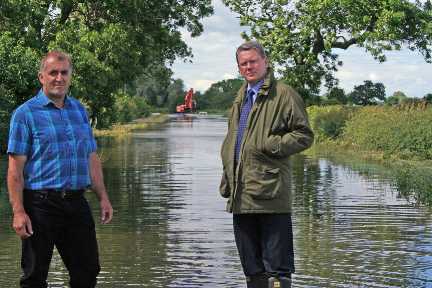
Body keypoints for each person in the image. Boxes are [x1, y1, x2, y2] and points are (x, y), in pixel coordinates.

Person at [7, 50, 113, 288]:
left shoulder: (79, 111)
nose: (59, 78)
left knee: (87, 272)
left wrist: (103, 197)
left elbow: (91, 156)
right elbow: (15, 170)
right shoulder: (25, 114)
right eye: (53, 72)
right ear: (41, 77)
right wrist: (18, 211)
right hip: (40, 205)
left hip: (77, 204)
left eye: (64, 72)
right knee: (34, 277)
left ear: (70, 76)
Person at [219, 41, 314, 288]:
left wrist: (270, 144)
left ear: (265, 61)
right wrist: (228, 175)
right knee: (252, 271)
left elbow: (304, 135)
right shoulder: (241, 96)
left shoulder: (283, 94)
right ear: (239, 68)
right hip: (242, 196)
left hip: (271, 195)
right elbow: (235, 140)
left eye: (253, 61)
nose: (249, 66)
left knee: (277, 274)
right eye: (243, 63)